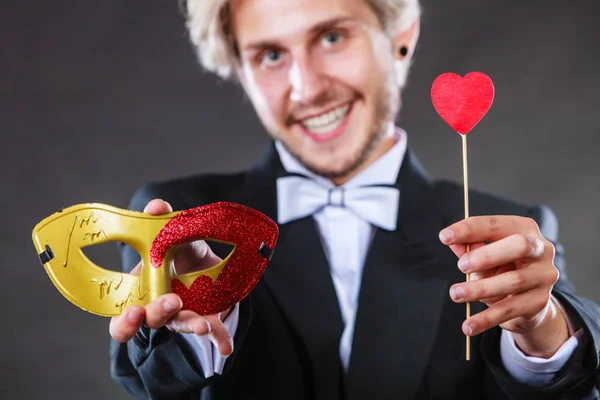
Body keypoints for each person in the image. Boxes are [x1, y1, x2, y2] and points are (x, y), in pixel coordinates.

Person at [108, 0, 600, 398]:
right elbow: (153, 379)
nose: (307, 89)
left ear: (401, 36)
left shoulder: (503, 231)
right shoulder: (178, 217)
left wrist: (541, 329)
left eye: (332, 37)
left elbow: (569, 379)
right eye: (271, 56)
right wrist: (202, 314)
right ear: (240, 70)